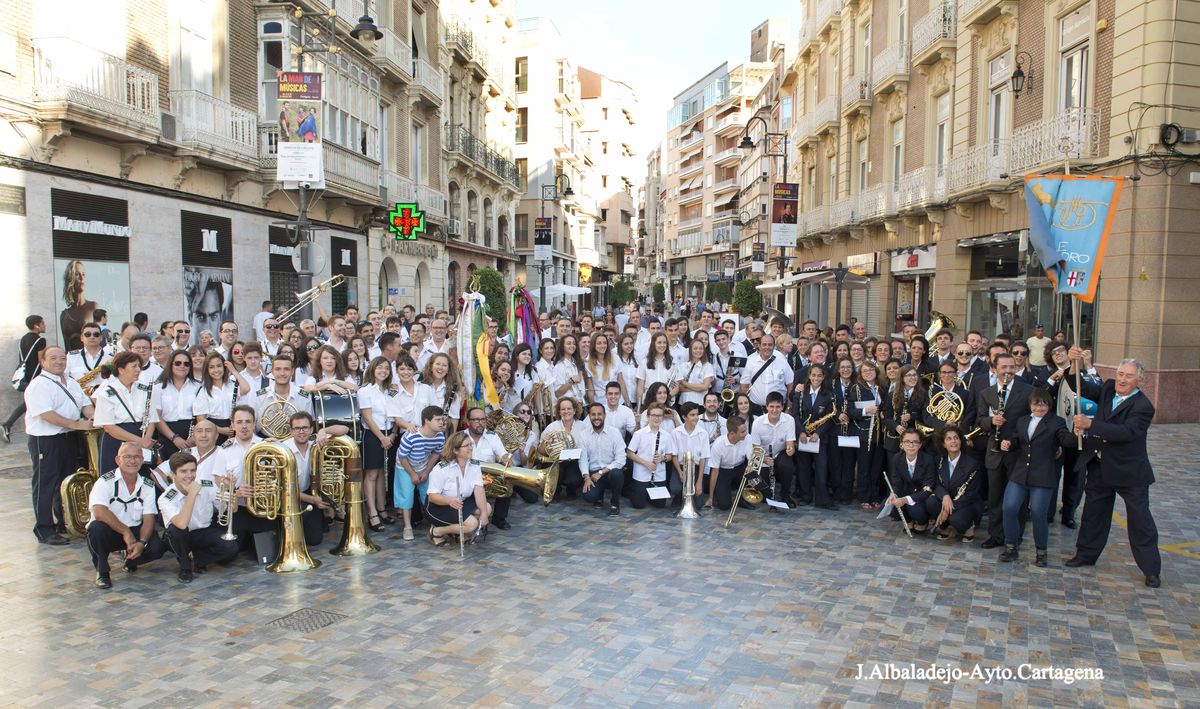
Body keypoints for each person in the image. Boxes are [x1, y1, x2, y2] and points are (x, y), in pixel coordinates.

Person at [1065, 351, 1162, 588]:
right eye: (1120, 374)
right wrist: (1073, 364)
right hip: (1099, 464)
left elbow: (1127, 433)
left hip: (1129, 472)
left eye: (1129, 376)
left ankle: (1151, 569)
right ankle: (1086, 555)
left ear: (1140, 380)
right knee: (1094, 513)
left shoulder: (1143, 406)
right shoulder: (1108, 389)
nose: (1122, 379)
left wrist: (1091, 425)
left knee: (1140, 520)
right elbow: (1080, 387)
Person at [997, 389, 1076, 566]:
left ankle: (1041, 551)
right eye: (1035, 404)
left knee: (1039, 514)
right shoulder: (1023, 421)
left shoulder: (1057, 422)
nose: (1039, 407)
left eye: (1043, 404)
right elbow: (1017, 441)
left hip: (1042, 475)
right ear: (1030, 405)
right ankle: (1011, 545)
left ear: (1049, 405)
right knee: (1009, 508)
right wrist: (1008, 444)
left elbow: (1066, 440)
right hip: (1020, 474)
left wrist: (1077, 433)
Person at [24, 345, 94, 544]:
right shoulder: (39, 385)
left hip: (69, 437)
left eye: (62, 358)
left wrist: (92, 415)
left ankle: (65, 522)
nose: (59, 362)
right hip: (46, 440)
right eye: (53, 358)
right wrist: (76, 424)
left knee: (66, 482)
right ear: (43, 362)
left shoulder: (70, 381)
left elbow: (84, 403)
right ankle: (44, 529)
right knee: (46, 484)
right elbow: (47, 414)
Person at [86, 442, 168, 589]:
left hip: (135, 530)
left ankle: (132, 560)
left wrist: (141, 543)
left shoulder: (147, 485)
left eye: (137, 457)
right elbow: (99, 511)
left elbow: (149, 518)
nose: (132, 461)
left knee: (157, 547)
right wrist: (125, 531)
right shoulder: (105, 482)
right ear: (118, 460)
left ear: (142, 460)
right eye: (127, 457)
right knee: (96, 529)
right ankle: (102, 571)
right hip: (111, 531)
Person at [974, 353, 1033, 550]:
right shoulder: (987, 393)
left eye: (1011, 367)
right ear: (995, 369)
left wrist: (1014, 439)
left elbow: (1030, 421)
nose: (1008, 371)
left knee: (1018, 499)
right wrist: (991, 421)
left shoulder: (1027, 391)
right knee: (995, 497)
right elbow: (980, 419)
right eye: (1003, 367)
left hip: (1017, 452)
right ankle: (996, 535)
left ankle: (1015, 535)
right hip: (994, 451)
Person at [158, 452, 239, 583]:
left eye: (192, 470)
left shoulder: (206, 485)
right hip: (179, 535)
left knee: (231, 547)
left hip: (202, 532)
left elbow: (230, 510)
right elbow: (182, 524)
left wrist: (231, 489)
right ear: (173, 475)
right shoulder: (166, 498)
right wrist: (192, 494)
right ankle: (185, 568)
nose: (189, 475)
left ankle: (197, 560)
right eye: (183, 471)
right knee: (175, 531)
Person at [92, 352, 158, 473]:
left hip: (142, 437)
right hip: (116, 441)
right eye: (134, 366)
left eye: (139, 366)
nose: (138, 370)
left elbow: (152, 419)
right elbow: (109, 427)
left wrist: (146, 439)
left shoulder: (145, 390)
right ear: (121, 369)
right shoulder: (106, 393)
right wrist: (139, 441)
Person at [425, 431, 490, 546]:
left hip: (460, 501)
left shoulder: (474, 465)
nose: (471, 448)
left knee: (487, 508)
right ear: (455, 450)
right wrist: (449, 501)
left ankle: (458, 531)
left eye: (471, 444)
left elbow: (479, 490)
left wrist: (484, 514)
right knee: (472, 524)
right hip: (440, 506)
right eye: (466, 446)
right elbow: (432, 497)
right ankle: (437, 531)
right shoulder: (441, 469)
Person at [395, 405, 447, 540]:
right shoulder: (411, 436)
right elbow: (402, 457)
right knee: (407, 496)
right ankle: (407, 526)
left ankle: (433, 523)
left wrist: (426, 472)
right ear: (427, 421)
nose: (442, 423)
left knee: (429, 495)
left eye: (442, 419)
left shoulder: (440, 436)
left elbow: (436, 454)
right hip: (405, 467)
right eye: (438, 420)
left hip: (424, 466)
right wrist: (412, 474)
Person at [359, 356, 397, 532]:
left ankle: (382, 509)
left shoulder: (391, 390)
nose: (383, 371)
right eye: (380, 368)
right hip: (373, 435)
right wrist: (382, 438)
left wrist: (393, 434)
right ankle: (372, 513)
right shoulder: (365, 391)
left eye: (386, 368)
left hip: (390, 433)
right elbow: (367, 417)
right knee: (372, 474)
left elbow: (398, 412)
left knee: (383, 473)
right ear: (372, 369)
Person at [928, 426, 981, 542]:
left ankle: (969, 526)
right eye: (949, 439)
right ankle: (946, 527)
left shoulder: (972, 464)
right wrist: (945, 496)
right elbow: (935, 483)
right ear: (943, 444)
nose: (953, 441)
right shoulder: (939, 460)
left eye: (956, 438)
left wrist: (947, 509)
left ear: (961, 441)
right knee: (930, 502)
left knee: (957, 520)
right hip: (948, 498)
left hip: (966, 503)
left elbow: (970, 494)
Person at [576, 403, 627, 515]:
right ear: (589, 416)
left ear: (604, 415)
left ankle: (615, 502)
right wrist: (586, 477)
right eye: (593, 414)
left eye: (599, 414)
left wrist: (602, 472)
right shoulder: (583, 435)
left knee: (617, 474)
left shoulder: (615, 433)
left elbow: (621, 459)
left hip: (609, 472)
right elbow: (582, 459)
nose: (596, 417)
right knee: (589, 496)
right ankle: (598, 496)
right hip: (593, 474)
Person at [3, 315, 47, 441]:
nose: (45, 326)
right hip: (37, 376)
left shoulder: (23, 339)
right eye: (42, 323)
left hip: (26, 377)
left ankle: (8, 425)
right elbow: (42, 360)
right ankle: (7, 425)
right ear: (36, 325)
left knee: (29, 403)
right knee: (30, 403)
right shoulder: (40, 341)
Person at [626, 404, 678, 509]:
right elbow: (630, 453)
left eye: (659, 415)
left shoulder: (666, 436)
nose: (656, 418)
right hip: (641, 474)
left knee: (660, 505)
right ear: (648, 416)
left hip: (658, 475)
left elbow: (669, 456)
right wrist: (646, 463)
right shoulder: (639, 434)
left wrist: (662, 458)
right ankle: (639, 492)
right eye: (653, 415)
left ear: (662, 418)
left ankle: (648, 493)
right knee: (638, 505)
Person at [885, 429, 938, 533]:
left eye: (915, 442)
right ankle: (908, 520)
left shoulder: (928, 460)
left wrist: (905, 499)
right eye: (907, 441)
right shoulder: (897, 458)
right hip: (905, 492)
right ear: (901, 444)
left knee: (915, 509)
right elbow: (896, 482)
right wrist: (893, 493)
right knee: (887, 504)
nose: (911, 445)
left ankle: (922, 522)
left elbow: (928, 489)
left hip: (921, 496)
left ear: (920, 445)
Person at [154, 349, 201, 459]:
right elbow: (157, 417)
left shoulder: (198, 386)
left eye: (186, 364)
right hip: (167, 435)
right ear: (171, 364)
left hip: (192, 436)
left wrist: (194, 438)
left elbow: (203, 415)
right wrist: (174, 438)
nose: (182, 366)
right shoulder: (159, 387)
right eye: (178, 363)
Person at [671, 402, 711, 506]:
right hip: (680, 466)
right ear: (684, 417)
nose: (696, 418)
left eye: (697, 414)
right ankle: (679, 497)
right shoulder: (675, 432)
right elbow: (674, 455)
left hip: (696, 467)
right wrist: (680, 472)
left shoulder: (703, 433)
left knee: (698, 504)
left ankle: (688, 497)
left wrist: (699, 482)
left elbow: (703, 459)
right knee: (675, 488)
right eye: (692, 415)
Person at [59, 261, 98, 350]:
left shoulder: (93, 307)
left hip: (91, 360)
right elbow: (66, 346)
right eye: (77, 274)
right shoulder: (65, 315)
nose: (81, 278)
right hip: (72, 360)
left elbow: (99, 338)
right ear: (70, 278)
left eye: (83, 274)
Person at [66, 322, 113, 391]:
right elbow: (64, 378)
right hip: (79, 398)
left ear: (101, 338)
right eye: (87, 334)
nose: (92, 337)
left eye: (96, 334)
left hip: (103, 398)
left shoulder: (110, 358)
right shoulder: (71, 357)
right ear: (82, 338)